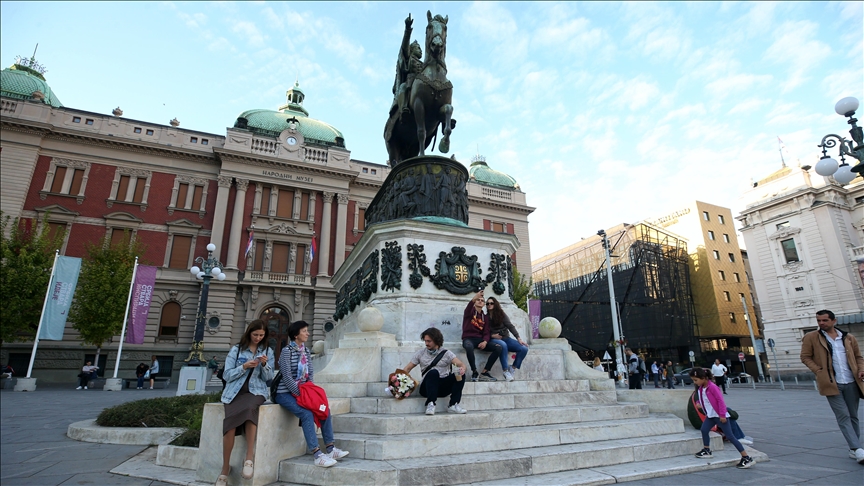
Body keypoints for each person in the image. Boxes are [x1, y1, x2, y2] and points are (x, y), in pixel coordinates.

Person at [273, 320, 348, 468]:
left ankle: (331, 449)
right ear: (296, 335)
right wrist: (299, 394)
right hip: (284, 393)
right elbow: (286, 376)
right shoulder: (286, 351)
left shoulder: (305, 351)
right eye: (304, 331)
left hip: (303, 390)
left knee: (324, 409)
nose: (307, 333)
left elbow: (310, 373)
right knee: (306, 414)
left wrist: (310, 391)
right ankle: (317, 454)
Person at [800, 309, 864, 464]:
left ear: (834, 321)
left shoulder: (848, 338)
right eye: (819, 321)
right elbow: (805, 357)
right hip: (830, 383)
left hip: (851, 381)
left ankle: (853, 448)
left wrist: (861, 369)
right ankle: (857, 449)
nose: (821, 323)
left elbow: (858, 357)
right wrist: (818, 371)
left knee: (853, 416)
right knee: (843, 416)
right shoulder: (811, 337)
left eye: (824, 320)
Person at [216, 320, 274, 486]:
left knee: (250, 409)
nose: (257, 338)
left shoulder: (267, 351)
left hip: (256, 392)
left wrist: (264, 365)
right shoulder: (236, 349)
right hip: (234, 392)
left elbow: (268, 378)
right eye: (255, 334)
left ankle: (249, 457)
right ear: (249, 333)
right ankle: (225, 468)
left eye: (261, 335)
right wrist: (244, 366)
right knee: (230, 426)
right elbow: (226, 375)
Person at [689, 368, 754, 469]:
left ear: (703, 378)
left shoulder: (713, 387)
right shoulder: (702, 387)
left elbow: (721, 401)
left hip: (719, 415)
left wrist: (722, 415)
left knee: (731, 437)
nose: (695, 382)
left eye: (695, 380)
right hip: (710, 416)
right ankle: (707, 450)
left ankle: (746, 457)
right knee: (704, 430)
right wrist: (698, 403)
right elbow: (700, 398)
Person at [401, 327, 468, 415]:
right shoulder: (420, 353)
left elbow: (461, 364)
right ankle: (430, 403)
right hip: (427, 388)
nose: (426, 343)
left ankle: (453, 405)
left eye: (429, 341)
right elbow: (407, 368)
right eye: (425, 341)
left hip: (443, 387)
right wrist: (399, 382)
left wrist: (462, 369)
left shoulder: (447, 353)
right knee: (433, 372)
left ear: (437, 340)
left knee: (460, 375)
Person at [461, 290, 502, 382]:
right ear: (475, 302)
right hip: (468, 339)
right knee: (468, 346)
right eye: (478, 300)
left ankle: (485, 372)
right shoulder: (469, 312)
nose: (480, 301)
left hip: (480, 340)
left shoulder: (485, 317)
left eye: (482, 300)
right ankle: (474, 371)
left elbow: (487, 332)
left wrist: (485, 341)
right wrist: (476, 296)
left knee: (498, 348)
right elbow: (469, 306)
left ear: (484, 304)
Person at [486, 296, 528, 382]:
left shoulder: (501, 314)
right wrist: (492, 336)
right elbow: (483, 332)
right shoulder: (485, 317)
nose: (489, 305)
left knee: (524, 348)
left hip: (506, 338)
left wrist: (518, 338)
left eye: (491, 303)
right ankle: (505, 371)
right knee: (503, 345)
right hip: (493, 339)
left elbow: (510, 326)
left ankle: (512, 368)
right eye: (487, 304)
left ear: (495, 304)